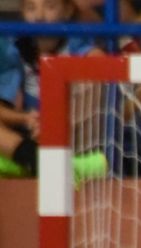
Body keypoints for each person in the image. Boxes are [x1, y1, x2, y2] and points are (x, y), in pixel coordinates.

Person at [0, 0, 98, 176]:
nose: (39, 17)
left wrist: (54, 124)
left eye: (50, 7)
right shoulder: (11, 49)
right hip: (25, 137)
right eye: (31, 8)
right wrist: (25, 119)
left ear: (67, 11)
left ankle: (59, 163)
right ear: (22, 12)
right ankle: (35, 160)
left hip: (71, 135)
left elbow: (103, 79)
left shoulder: (80, 46)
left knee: (95, 77)